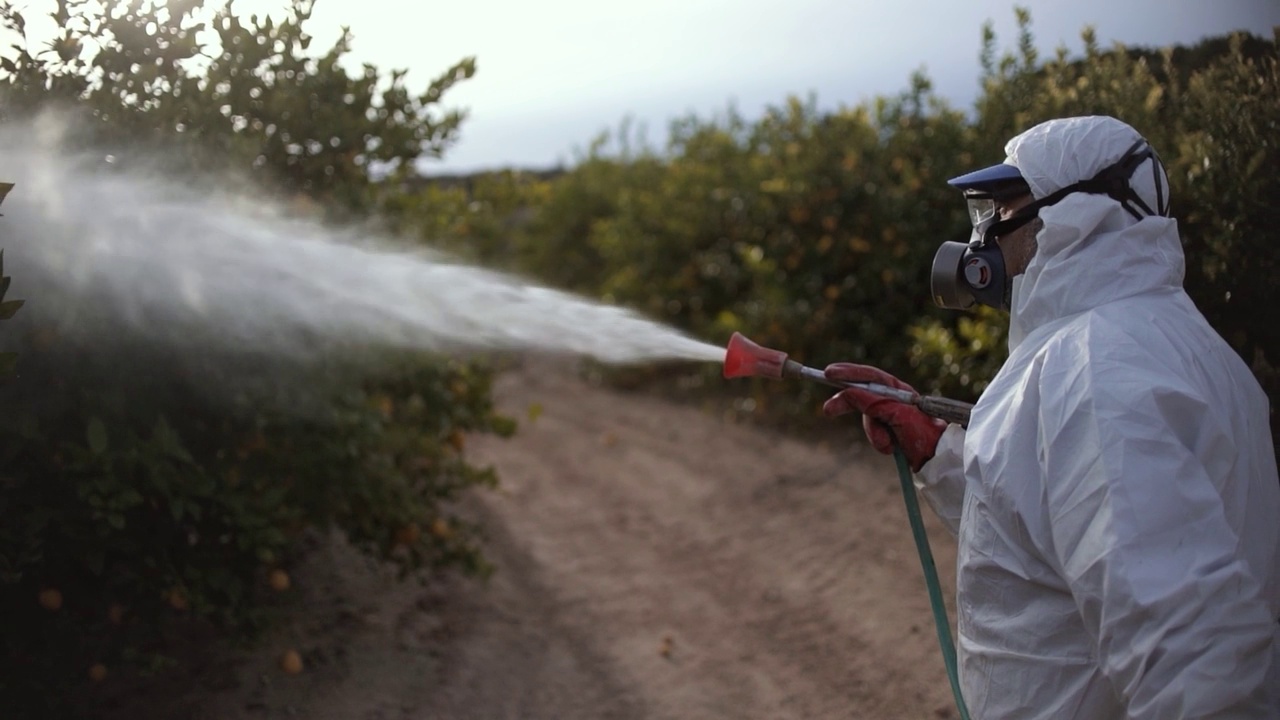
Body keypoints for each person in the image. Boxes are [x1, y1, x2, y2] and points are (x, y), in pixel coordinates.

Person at [822, 115, 1280, 718]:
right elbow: (1055, 528)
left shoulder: (1095, 365)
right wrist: (938, 451)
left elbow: (1197, 657)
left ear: (1073, 217)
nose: (985, 237)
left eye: (1003, 210)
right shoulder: (1179, 344)